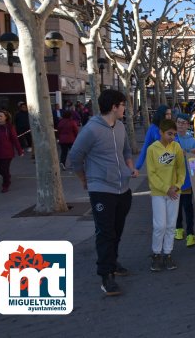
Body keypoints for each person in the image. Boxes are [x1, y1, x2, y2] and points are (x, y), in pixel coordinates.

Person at [69, 89, 139, 296]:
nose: (125, 108)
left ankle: (113, 262)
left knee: (116, 231)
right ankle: (106, 275)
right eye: (123, 105)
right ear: (114, 107)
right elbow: (75, 156)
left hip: (123, 188)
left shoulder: (120, 127)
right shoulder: (91, 129)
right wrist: (84, 179)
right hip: (101, 189)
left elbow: (126, 151)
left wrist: (130, 167)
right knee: (105, 233)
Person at [146, 119, 186, 272]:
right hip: (158, 193)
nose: (172, 137)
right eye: (169, 134)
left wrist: (177, 186)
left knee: (171, 225)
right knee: (159, 225)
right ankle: (156, 254)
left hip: (174, 193)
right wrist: (165, 188)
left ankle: (167, 253)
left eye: (174, 134)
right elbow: (151, 173)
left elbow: (181, 170)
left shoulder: (176, 147)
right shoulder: (152, 149)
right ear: (161, 132)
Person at [174, 113, 195, 247]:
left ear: (188, 125)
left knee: (187, 207)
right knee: (176, 207)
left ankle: (190, 233)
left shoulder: (193, 141)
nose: (181, 125)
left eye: (184, 123)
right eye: (179, 122)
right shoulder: (171, 138)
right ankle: (178, 228)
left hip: (187, 181)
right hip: (173, 180)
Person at [0, 110, 24, 193]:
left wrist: (20, 151)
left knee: (4, 169)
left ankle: (5, 185)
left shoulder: (9, 127)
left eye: (1, 116)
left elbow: (15, 140)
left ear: (5, 117)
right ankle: (7, 176)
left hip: (7, 153)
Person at [135, 105, 172, 170]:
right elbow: (145, 147)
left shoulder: (171, 127)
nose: (169, 116)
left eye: (170, 114)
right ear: (161, 115)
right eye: (167, 114)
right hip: (157, 165)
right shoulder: (153, 129)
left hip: (171, 164)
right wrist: (137, 167)